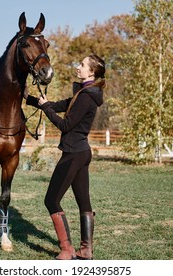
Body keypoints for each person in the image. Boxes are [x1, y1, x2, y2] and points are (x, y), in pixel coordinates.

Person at [24, 54, 106, 260]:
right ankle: (86, 250)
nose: (78, 67)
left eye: (82, 65)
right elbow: (59, 105)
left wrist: (45, 108)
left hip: (74, 155)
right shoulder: (85, 93)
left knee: (51, 200)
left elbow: (65, 125)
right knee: (83, 202)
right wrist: (30, 99)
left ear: (92, 72)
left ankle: (67, 250)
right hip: (81, 153)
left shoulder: (86, 97)